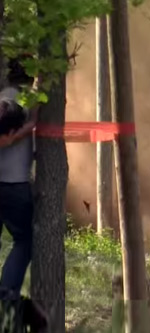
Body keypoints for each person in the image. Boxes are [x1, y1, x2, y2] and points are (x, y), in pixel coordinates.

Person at [0, 56, 37, 297]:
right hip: (13, 185)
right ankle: (6, 293)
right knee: (24, 240)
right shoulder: (23, 101)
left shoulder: (4, 96)